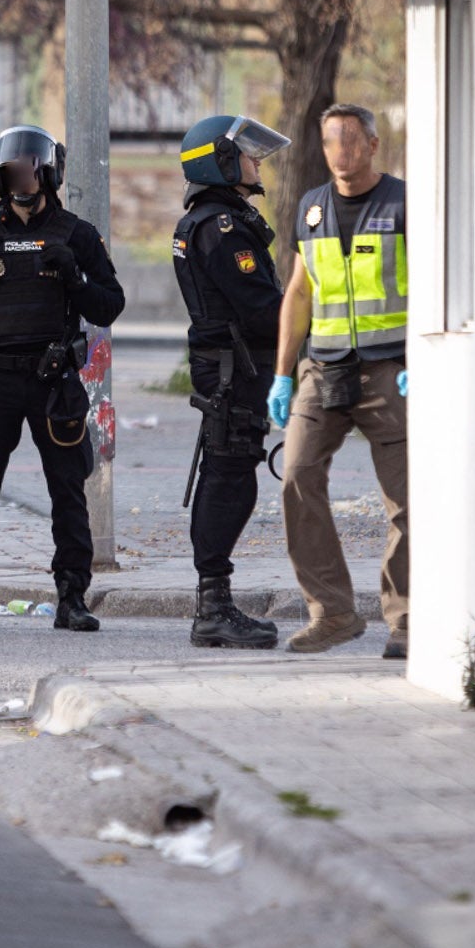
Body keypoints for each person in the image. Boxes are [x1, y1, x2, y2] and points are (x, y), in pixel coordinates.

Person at [0, 125, 125, 632]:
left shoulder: (75, 235)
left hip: (53, 377)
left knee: (67, 489)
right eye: (13, 171)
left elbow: (110, 304)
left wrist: (75, 278)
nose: (23, 180)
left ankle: (72, 596)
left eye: (32, 170)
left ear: (49, 174)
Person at [267, 103, 409, 659]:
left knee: (407, 500)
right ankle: (333, 614)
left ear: (373, 144)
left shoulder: (404, 203)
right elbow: (299, 293)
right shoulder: (311, 208)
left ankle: (407, 621)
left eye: (351, 141)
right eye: (331, 142)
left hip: (389, 370)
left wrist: (422, 360)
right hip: (323, 370)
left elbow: (433, 282)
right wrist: (283, 375)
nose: (341, 152)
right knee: (297, 477)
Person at [171, 114, 293, 650]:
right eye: (246, 154)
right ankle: (213, 609)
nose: (256, 161)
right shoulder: (220, 227)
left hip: (232, 365)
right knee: (228, 477)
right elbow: (261, 308)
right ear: (219, 162)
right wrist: (315, 320)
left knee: (231, 472)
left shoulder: (215, 220)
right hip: (233, 369)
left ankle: (214, 605)